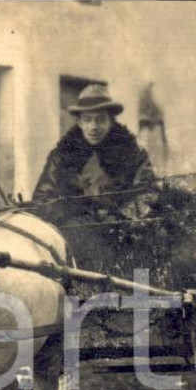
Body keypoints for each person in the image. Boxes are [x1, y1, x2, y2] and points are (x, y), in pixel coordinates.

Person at [32, 84, 159, 273]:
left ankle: (140, 299)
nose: (93, 127)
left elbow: (148, 192)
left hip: (122, 231)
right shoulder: (61, 155)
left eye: (100, 120)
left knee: (140, 256)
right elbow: (43, 198)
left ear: (111, 121)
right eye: (87, 120)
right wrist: (71, 213)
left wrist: (121, 216)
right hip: (75, 233)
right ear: (79, 122)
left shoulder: (133, 152)